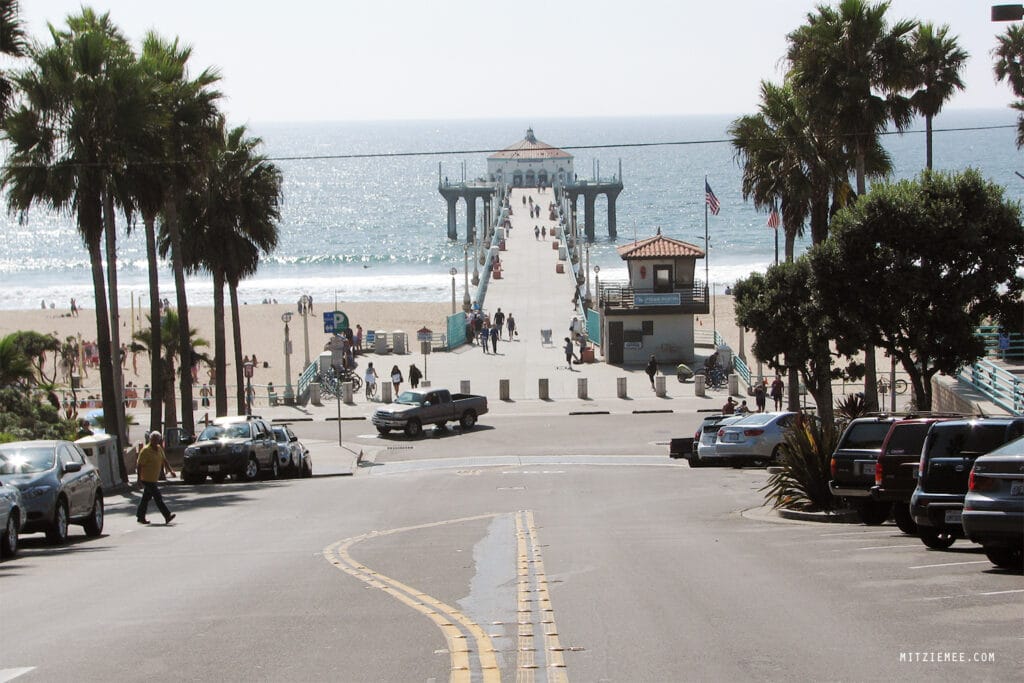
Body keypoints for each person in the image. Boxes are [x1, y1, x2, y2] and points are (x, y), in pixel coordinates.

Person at [136, 431, 176, 525]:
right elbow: (139, 465)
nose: (155, 441)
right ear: (150, 440)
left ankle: (140, 516)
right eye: (153, 439)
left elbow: (164, 460)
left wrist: (171, 471)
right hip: (146, 478)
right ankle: (167, 515)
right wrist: (139, 479)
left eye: (157, 440)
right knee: (158, 497)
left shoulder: (159, 449)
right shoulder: (145, 450)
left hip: (153, 478)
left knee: (146, 498)